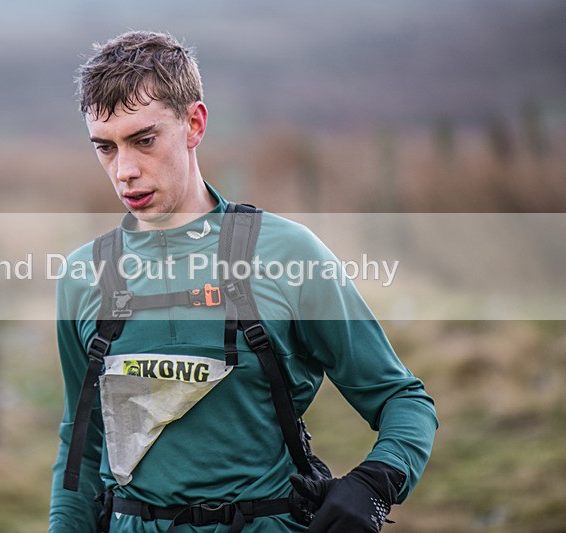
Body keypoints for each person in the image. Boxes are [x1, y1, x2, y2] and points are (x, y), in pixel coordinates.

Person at [49, 31, 437, 532]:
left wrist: (375, 486)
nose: (124, 170)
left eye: (144, 140)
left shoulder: (286, 254)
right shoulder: (84, 277)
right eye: (105, 147)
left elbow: (400, 398)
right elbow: (80, 449)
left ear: (194, 123)